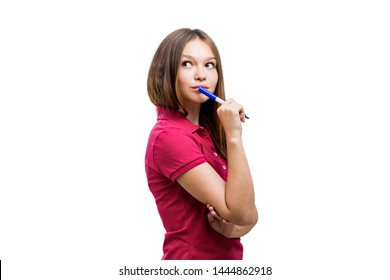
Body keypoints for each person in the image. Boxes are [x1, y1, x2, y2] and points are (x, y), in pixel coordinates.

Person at [145, 28, 258, 260]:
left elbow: (249, 214)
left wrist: (233, 228)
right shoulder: (169, 136)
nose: (201, 75)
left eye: (209, 65)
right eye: (187, 64)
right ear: (167, 72)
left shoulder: (206, 132)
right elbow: (242, 212)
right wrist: (234, 137)